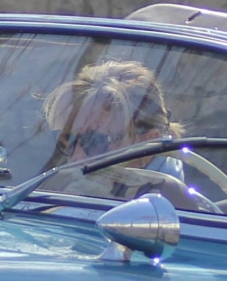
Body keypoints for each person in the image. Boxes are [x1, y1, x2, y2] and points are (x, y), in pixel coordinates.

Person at [40, 60, 186, 201]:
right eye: (68, 141)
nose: (77, 157)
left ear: (147, 143)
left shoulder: (177, 207)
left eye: (94, 141)